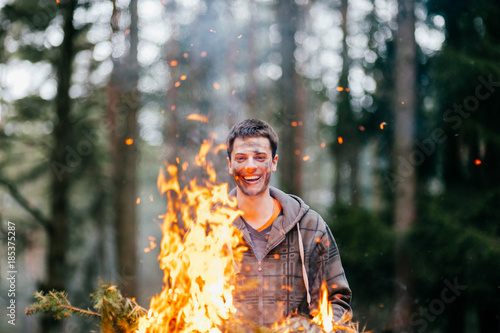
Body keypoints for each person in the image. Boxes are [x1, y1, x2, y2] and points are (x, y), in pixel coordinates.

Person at [226, 119, 352, 328]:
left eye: (259, 157)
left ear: (274, 162)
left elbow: (337, 302)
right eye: (241, 158)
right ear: (230, 164)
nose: (250, 166)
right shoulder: (207, 230)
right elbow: (182, 303)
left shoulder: (309, 227)